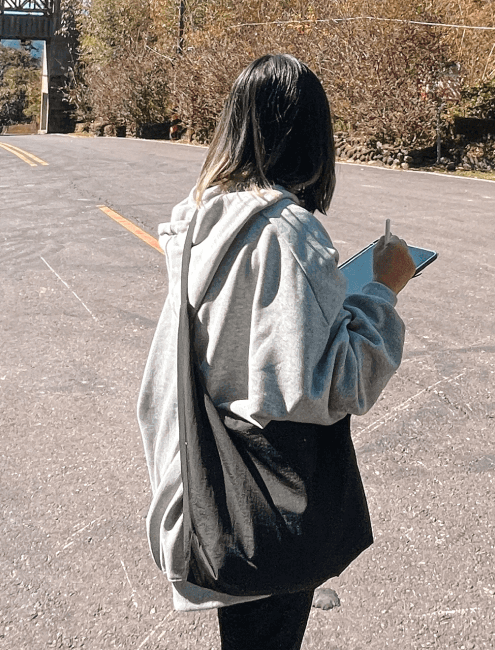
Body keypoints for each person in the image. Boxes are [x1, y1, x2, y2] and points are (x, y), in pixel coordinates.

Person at [137, 54, 416, 650]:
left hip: (214, 476)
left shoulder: (199, 221)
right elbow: (338, 383)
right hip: (270, 488)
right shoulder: (288, 233)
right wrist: (382, 290)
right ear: (312, 137)